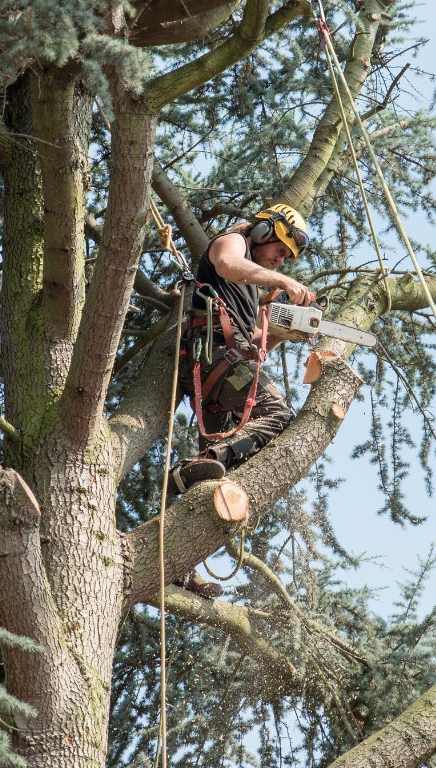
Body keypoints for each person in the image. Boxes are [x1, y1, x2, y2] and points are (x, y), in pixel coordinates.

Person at [170, 205, 312, 598]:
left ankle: (176, 566)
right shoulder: (234, 242)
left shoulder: (249, 289)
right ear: (264, 230)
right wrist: (281, 278)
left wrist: (286, 325)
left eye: (286, 258)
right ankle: (201, 461)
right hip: (213, 355)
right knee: (280, 415)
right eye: (280, 250)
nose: (281, 259)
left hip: (228, 365)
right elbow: (228, 263)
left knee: (214, 483)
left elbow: (254, 336)